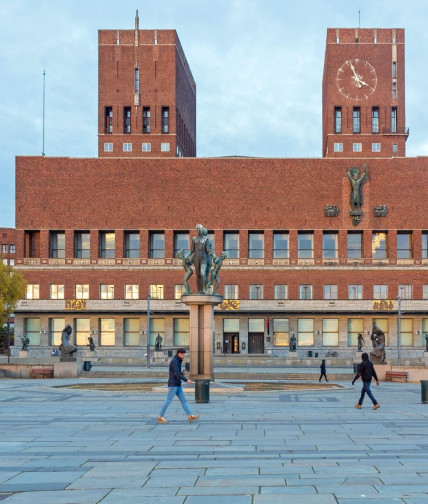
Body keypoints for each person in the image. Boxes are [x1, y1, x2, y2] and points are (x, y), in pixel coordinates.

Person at [157, 348, 199, 424]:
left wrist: (182, 373)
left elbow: (176, 373)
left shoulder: (177, 360)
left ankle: (190, 416)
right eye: (183, 355)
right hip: (173, 384)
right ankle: (160, 416)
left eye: (184, 355)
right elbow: (177, 373)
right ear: (179, 353)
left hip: (177, 384)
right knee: (168, 400)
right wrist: (186, 380)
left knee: (184, 401)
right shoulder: (175, 361)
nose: (184, 356)